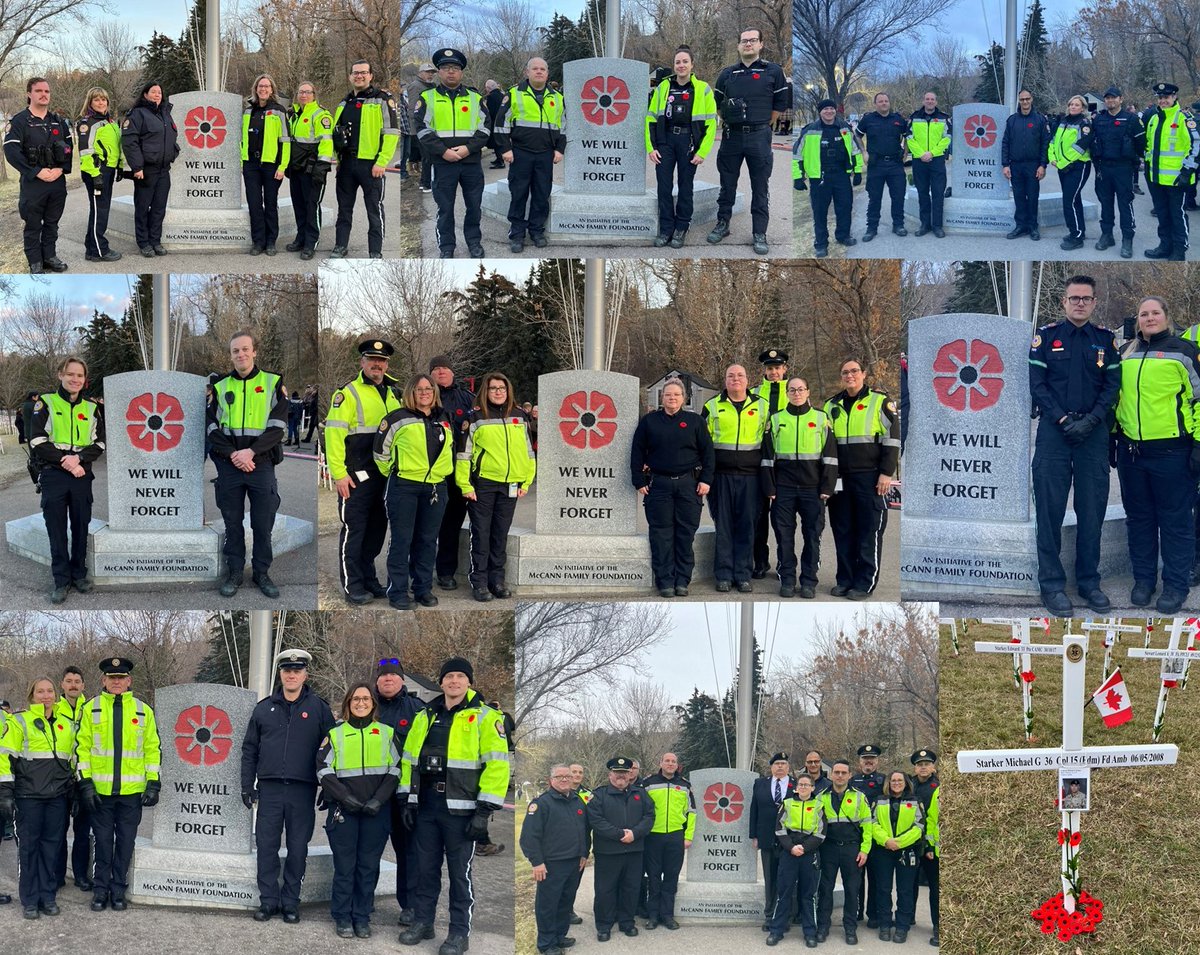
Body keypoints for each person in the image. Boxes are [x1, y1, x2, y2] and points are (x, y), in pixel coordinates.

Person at [398, 658, 511, 955]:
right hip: (427, 807)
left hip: (463, 812)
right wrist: (408, 799)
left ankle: (460, 933)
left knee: (460, 876)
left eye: (461, 676)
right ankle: (424, 922)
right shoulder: (425, 716)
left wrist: (484, 811)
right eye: (449, 677)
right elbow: (409, 761)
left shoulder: (486, 717)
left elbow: (497, 767)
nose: (454, 682)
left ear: (469, 682)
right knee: (425, 871)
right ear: (441, 682)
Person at [1028, 276, 1121, 616]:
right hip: (1055, 433)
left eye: (1086, 298)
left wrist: (1092, 420)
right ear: (1064, 303)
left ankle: (1089, 583)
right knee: (1049, 513)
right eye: (1074, 298)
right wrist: (1064, 421)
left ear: (1094, 303)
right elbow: (1037, 385)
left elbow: (1112, 387)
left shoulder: (1105, 341)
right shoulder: (1046, 337)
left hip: (1093, 435)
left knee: (1092, 512)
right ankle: (1052, 585)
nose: (1080, 303)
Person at [1113, 296, 1200, 613]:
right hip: (1132, 453)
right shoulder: (1126, 353)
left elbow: (1199, 400)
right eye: (1143, 314)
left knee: (1176, 522)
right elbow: (1116, 399)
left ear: (1166, 316)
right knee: (1139, 521)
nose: (1149, 318)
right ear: (1137, 320)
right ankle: (1144, 581)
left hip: (1172, 452)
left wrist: (1199, 445)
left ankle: (1175, 586)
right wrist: (1113, 438)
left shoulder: (1185, 352)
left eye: (1155, 313)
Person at [241, 648, 335, 923]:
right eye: (287, 670)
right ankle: (268, 901)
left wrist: (328, 786)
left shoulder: (319, 708)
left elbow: (333, 749)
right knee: (267, 847)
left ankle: (291, 901)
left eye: (297, 670)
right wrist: (247, 785)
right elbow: (249, 750)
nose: (292, 675)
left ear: (305, 674)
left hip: (302, 790)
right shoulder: (264, 709)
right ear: (280, 674)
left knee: (297, 848)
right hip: (269, 790)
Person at [76, 657, 161, 912]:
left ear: (128, 681)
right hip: (100, 793)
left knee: (125, 844)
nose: (116, 682)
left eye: (121, 678)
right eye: (111, 678)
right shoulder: (90, 709)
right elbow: (82, 749)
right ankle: (100, 891)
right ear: (103, 680)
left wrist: (153, 782)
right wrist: (86, 783)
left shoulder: (142, 710)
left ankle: (118, 891)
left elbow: (152, 749)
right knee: (102, 843)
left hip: (131, 794)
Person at [208, 331, 287, 599]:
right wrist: (234, 455)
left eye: (245, 349)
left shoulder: (272, 383)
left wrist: (251, 452)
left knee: (263, 523)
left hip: (261, 463)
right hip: (230, 465)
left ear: (254, 352)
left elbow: (278, 427)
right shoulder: (220, 387)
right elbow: (211, 427)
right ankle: (234, 572)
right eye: (235, 351)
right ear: (230, 355)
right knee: (232, 522)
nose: (240, 354)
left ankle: (262, 572)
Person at [316, 682, 399, 939]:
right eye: (355, 699)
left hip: (376, 811)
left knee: (368, 867)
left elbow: (397, 769)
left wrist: (379, 800)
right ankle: (342, 916)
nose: (361, 703)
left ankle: (361, 917)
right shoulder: (335, 733)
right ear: (348, 703)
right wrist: (345, 797)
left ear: (373, 704)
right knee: (345, 867)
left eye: (365, 699)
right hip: (345, 810)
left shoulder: (386, 732)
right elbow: (323, 768)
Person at [326, 339, 402, 604]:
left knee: (376, 532)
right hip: (356, 476)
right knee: (354, 532)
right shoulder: (347, 393)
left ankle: (369, 578)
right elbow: (333, 435)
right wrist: (339, 474)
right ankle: (352, 585)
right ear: (362, 362)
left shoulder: (394, 393)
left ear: (386, 364)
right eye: (372, 360)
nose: (377, 365)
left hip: (384, 477)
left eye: (381, 361)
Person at [373, 373, 454, 610]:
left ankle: (422, 588)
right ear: (411, 392)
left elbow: (451, 448)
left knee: (428, 541)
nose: (425, 392)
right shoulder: (397, 418)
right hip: (404, 486)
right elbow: (380, 452)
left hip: (435, 487)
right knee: (402, 540)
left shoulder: (443, 418)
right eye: (419, 389)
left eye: (429, 388)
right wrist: (398, 471)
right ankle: (397, 592)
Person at [29, 357, 105, 604]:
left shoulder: (92, 409)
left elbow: (100, 443)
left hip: (81, 475)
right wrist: (67, 461)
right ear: (60, 375)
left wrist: (79, 458)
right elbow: (37, 441)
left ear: (85, 380)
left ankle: (78, 574)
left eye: (80, 376)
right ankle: (61, 580)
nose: (75, 379)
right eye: (70, 374)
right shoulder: (46, 404)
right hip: (54, 475)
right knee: (57, 529)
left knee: (81, 526)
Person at [630, 377, 715, 597]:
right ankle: (665, 581)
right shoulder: (650, 421)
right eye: (668, 395)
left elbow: (708, 453)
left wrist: (706, 479)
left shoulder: (695, 422)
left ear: (683, 398)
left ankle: (682, 581)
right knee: (661, 535)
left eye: (677, 395)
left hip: (689, 485)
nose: (672, 398)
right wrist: (638, 480)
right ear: (662, 398)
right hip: (659, 485)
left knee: (685, 534)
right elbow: (637, 451)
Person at [822, 359, 900, 598]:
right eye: (845, 372)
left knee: (869, 530)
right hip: (840, 478)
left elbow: (893, 439)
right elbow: (824, 444)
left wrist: (886, 473)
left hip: (870, 476)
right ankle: (845, 579)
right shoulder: (830, 405)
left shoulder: (879, 401)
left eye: (854, 371)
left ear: (864, 374)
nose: (850, 375)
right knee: (842, 529)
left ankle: (864, 583)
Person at [455, 371, 536, 602]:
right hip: (483, 484)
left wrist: (526, 480)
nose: (498, 392)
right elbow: (464, 454)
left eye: (502, 388)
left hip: (511, 484)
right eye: (493, 388)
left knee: (500, 534)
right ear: (485, 391)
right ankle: (479, 582)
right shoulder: (476, 417)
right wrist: (465, 484)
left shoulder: (520, 415)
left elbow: (528, 451)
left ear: (508, 390)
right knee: (481, 533)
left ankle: (497, 580)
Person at [0, 676, 75, 919]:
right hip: (27, 796)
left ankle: (48, 896)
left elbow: (72, 760)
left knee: (51, 848)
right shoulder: (20, 720)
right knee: (29, 849)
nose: (45, 695)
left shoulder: (66, 724)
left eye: (49, 691)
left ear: (56, 694)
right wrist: (5, 792)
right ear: (32, 695)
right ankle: (30, 900)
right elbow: (5, 756)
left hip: (57, 797)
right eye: (40, 691)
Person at [708, 27, 789, 255]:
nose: (748, 44)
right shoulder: (726, 74)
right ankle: (723, 224)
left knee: (760, 187)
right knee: (727, 185)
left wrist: (760, 125)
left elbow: (778, 107)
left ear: (761, 44)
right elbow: (719, 106)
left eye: (753, 40)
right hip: (732, 137)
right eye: (744, 41)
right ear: (738, 45)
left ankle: (759, 232)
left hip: (759, 137)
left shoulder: (773, 71)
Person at [761, 375, 837, 598]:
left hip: (812, 489)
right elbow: (767, 458)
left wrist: (827, 487)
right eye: (792, 390)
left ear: (808, 392)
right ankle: (787, 579)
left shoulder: (821, 418)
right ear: (787, 393)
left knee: (812, 536)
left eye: (800, 389)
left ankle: (808, 581)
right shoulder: (775, 419)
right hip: (783, 489)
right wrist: (770, 488)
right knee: (784, 536)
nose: (796, 393)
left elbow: (831, 456)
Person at [415, 48, 490, 259]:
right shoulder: (427, 97)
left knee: (474, 206)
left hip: (471, 162)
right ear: (439, 71)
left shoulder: (475, 98)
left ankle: (474, 242)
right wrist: (443, 151)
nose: (451, 72)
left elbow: (485, 128)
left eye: (455, 68)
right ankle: (446, 246)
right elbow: (421, 128)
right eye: (446, 68)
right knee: (445, 208)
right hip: (442, 163)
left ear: (461, 73)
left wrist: (468, 148)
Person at [704, 364, 769, 591]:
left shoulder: (762, 406)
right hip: (721, 476)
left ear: (747, 379)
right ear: (725, 380)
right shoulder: (711, 406)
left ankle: (743, 575)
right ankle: (723, 575)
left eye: (740, 375)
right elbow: (703, 443)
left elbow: (770, 443)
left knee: (747, 526)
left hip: (751, 477)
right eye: (731, 376)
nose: (735, 379)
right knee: (724, 526)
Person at [646, 46, 717, 248]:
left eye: (685, 61)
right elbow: (650, 118)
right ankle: (666, 228)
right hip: (666, 142)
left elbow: (711, 123)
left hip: (689, 143)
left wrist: (702, 151)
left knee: (686, 187)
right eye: (678, 62)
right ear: (674, 65)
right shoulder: (663, 88)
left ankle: (681, 227)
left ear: (692, 64)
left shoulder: (702, 89)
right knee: (664, 187)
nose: (681, 65)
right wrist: (651, 147)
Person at [373, 658, 426, 925]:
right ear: (377, 681)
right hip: (372, 794)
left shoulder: (418, 710)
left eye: (394, 675)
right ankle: (363, 901)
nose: (388, 680)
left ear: (402, 680)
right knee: (368, 852)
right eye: (383, 676)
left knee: (408, 854)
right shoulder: (365, 707)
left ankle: (410, 906)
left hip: (403, 796)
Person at [331, 60, 399, 259]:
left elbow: (392, 132)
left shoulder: (383, 99)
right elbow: (337, 134)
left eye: (363, 72)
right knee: (344, 209)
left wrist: (382, 161)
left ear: (370, 76)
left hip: (371, 165)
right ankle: (340, 245)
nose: (359, 76)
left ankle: (375, 251)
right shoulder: (343, 103)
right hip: (346, 165)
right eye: (355, 73)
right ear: (350, 76)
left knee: (374, 211)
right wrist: (338, 160)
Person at [494, 58, 564, 252]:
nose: (539, 72)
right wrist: (505, 149)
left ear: (548, 74)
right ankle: (516, 233)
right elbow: (501, 123)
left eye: (543, 69)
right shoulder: (514, 94)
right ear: (527, 72)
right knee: (519, 194)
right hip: (520, 153)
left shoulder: (557, 97)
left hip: (545, 154)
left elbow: (564, 125)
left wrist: (560, 149)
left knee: (542, 195)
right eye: (535, 69)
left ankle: (536, 231)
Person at [4, 77, 72, 273]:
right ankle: (35, 261)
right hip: (33, 182)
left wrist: (61, 169)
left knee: (52, 223)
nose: (44, 94)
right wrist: (36, 172)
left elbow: (69, 148)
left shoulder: (58, 121)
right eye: (39, 91)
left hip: (57, 181)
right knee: (33, 224)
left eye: (47, 91)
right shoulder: (19, 121)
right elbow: (11, 151)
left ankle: (49, 256)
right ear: (29, 94)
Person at [520, 765, 590, 955]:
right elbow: (529, 837)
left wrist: (584, 853)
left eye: (568, 776)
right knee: (548, 905)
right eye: (560, 776)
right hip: (551, 865)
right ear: (550, 780)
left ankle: (559, 936)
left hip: (574, 862)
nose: (565, 779)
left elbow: (584, 831)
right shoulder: (541, 804)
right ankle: (546, 944)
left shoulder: (577, 801)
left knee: (566, 902)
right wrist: (537, 862)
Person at [586, 756, 655, 941]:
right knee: (605, 890)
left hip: (634, 852)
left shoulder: (640, 794)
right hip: (608, 852)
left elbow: (649, 816)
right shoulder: (599, 795)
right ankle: (604, 926)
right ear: (610, 774)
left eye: (624, 773)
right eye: (617, 773)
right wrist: (619, 834)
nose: (621, 776)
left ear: (629, 774)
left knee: (631, 888)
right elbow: (596, 821)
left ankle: (627, 922)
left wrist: (635, 833)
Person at [428, 356, 475, 590]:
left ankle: (446, 572)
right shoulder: (423, 397)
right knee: (425, 524)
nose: (441, 372)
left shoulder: (468, 399)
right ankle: (419, 572)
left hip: (459, 473)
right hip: (430, 472)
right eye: (436, 369)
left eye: (445, 368)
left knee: (451, 525)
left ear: (453, 373)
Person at [793, 98, 862, 256]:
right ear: (820, 112)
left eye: (831, 108)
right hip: (819, 177)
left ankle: (843, 236)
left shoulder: (845, 128)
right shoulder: (810, 130)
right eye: (825, 109)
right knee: (820, 212)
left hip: (841, 175)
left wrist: (857, 171)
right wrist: (798, 177)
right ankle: (821, 244)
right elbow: (797, 155)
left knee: (844, 208)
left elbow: (855, 150)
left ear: (835, 110)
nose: (829, 111)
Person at [815, 760, 872, 946]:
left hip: (851, 848)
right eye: (836, 772)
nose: (839, 776)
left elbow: (867, 826)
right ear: (831, 775)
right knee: (825, 889)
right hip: (828, 849)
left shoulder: (859, 797)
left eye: (843, 773)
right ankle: (823, 926)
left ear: (849, 775)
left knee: (852, 889)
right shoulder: (821, 797)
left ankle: (850, 927)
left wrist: (864, 850)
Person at [765, 773, 825, 948]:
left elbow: (821, 833)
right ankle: (776, 930)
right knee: (783, 893)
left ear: (813, 788)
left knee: (808, 895)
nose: (804, 787)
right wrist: (791, 847)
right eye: (801, 784)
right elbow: (779, 829)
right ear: (796, 787)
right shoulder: (787, 803)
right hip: (789, 851)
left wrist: (804, 848)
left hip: (809, 853)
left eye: (808, 785)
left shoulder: (819, 806)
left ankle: (810, 932)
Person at [1142, 82, 1198, 261]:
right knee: (1163, 214)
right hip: (1156, 178)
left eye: (1166, 97)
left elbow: (1196, 145)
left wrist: (1188, 171)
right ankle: (1164, 246)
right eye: (1160, 97)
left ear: (1174, 97)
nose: (1163, 100)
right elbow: (1149, 146)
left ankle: (1179, 250)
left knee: (1177, 215)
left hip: (1177, 179)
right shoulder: (1154, 118)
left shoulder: (1184, 118)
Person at [122, 81, 179, 257]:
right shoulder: (137, 114)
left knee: (158, 208)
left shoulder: (165, 113)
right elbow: (130, 142)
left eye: (159, 92)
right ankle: (144, 243)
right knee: (142, 207)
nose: (157, 95)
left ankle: (155, 241)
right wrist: (137, 167)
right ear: (145, 94)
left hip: (163, 170)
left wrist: (174, 152)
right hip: (146, 170)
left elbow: (171, 136)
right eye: (153, 92)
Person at [640, 752, 694, 930]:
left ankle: (667, 915)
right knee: (653, 877)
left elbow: (692, 812)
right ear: (660, 762)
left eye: (673, 761)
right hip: (652, 836)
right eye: (667, 761)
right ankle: (653, 915)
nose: (670, 764)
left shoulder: (685, 785)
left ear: (677, 765)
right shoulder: (648, 783)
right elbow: (640, 809)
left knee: (671, 877)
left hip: (675, 836)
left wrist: (688, 836)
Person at [869, 771, 924, 944]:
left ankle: (902, 926)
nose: (896, 783)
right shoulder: (879, 800)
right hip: (883, 850)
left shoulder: (915, 801)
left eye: (900, 780)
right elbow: (872, 822)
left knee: (905, 890)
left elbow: (919, 826)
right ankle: (885, 924)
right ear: (888, 783)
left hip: (906, 850)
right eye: (893, 780)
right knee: (883, 889)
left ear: (906, 782)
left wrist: (899, 843)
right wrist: (886, 841)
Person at [1090, 86, 1144, 258]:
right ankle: (1107, 235)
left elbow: (1141, 144)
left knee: (1125, 204)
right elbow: (1092, 142)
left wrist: (1137, 163)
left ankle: (1127, 239)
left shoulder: (1132, 119)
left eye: (1113, 98)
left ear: (1121, 99)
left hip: (1123, 168)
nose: (1110, 101)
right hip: (1104, 167)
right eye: (1107, 98)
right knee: (1105, 203)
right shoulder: (1098, 119)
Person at [240, 74, 291, 255]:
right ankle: (258, 242)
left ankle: (270, 242)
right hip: (251, 165)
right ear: (255, 89)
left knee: (270, 204)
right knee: (254, 204)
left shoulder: (278, 111)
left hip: (271, 165)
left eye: (267, 86)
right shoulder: (248, 111)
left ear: (272, 90)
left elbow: (286, 140)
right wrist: (242, 162)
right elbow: (242, 138)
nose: (263, 89)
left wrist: (282, 166)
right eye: (260, 86)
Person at [285, 79, 334, 260]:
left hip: (313, 169)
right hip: (297, 168)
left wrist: (322, 167)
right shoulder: (295, 114)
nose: (303, 95)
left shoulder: (321, 114)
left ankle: (311, 242)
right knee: (298, 205)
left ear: (314, 95)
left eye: (307, 92)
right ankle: (301, 236)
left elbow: (327, 141)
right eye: (300, 92)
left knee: (311, 206)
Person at [752, 350, 791, 577]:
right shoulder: (755, 393)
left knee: (782, 519)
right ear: (764, 370)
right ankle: (760, 561)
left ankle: (783, 564)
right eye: (769, 368)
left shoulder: (794, 391)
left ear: (784, 369)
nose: (774, 372)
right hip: (759, 462)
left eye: (777, 368)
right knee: (758, 517)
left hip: (785, 465)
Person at [53, 665, 91, 891]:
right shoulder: (54, 709)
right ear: (62, 685)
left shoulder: (92, 709)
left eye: (77, 681)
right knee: (58, 831)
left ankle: (80, 875)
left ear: (83, 685)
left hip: (84, 779)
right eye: (69, 681)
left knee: (83, 832)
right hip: (59, 780)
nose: (73, 685)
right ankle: (58, 875)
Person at [76, 86, 123, 262]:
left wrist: (118, 166)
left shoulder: (111, 122)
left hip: (108, 170)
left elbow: (117, 147)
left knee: (99, 210)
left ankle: (91, 248)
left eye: (103, 99)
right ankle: (99, 250)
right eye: (96, 99)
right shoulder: (87, 123)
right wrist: (95, 175)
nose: (101, 102)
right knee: (100, 211)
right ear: (90, 102)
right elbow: (85, 151)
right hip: (96, 171)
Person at [856, 92, 909, 242]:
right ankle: (871, 228)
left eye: (886, 101)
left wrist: (905, 152)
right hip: (876, 164)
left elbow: (908, 136)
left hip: (895, 164)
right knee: (874, 198)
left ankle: (898, 225)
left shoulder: (898, 119)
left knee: (898, 197)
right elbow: (857, 135)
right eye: (880, 101)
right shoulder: (868, 119)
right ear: (875, 104)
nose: (884, 103)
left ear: (889, 103)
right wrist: (863, 152)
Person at [750, 753, 794, 927]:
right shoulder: (760, 784)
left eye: (783, 763)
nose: (780, 767)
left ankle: (786, 916)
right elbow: (754, 809)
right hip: (767, 837)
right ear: (771, 767)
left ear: (788, 767)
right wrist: (754, 835)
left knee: (787, 878)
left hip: (790, 839)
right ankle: (769, 915)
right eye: (777, 764)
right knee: (770, 878)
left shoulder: (797, 785)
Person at [1000, 89, 1050, 242]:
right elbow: (1006, 143)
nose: (1025, 102)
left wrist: (1043, 165)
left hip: (1033, 165)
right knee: (1019, 197)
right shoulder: (1012, 120)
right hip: (1016, 166)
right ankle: (1020, 226)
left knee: (1033, 197)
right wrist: (1005, 164)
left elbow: (1045, 144)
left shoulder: (1040, 120)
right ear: (1019, 101)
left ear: (1032, 99)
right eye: (1022, 99)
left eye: (1027, 99)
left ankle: (1033, 227)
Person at [1048, 95, 1094, 251]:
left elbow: (1081, 146)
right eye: (1071, 104)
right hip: (1063, 167)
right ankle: (1078, 230)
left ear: (1083, 108)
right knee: (1075, 200)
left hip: (1078, 167)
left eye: (1077, 105)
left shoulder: (1085, 124)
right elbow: (1053, 141)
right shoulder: (1063, 121)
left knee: (1069, 201)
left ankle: (1076, 236)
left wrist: (1062, 162)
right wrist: (1052, 158)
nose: (1073, 107)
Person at [906, 91, 951, 238]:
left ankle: (937, 226)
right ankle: (925, 224)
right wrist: (921, 154)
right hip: (919, 161)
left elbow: (947, 139)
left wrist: (931, 153)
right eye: (927, 99)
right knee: (923, 193)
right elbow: (909, 138)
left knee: (938, 194)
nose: (930, 101)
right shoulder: (914, 118)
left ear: (936, 102)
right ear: (923, 101)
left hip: (936, 160)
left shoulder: (944, 118)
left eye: (932, 99)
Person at [850, 744, 886, 926]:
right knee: (857, 877)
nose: (868, 762)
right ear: (860, 761)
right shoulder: (853, 781)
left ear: (877, 761)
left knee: (876, 877)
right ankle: (857, 911)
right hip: (858, 836)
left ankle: (873, 914)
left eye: (871, 759)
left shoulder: (884, 780)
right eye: (865, 759)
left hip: (877, 836)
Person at [909, 749, 939, 946]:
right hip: (910, 842)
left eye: (926, 764)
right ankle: (907, 917)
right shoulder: (908, 785)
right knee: (908, 885)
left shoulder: (938, 787)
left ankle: (938, 926)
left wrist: (929, 845)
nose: (923, 767)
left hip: (930, 847)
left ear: (933, 767)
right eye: (920, 764)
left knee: (935, 889)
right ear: (915, 767)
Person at [407, 63, 438, 192]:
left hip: (432, 126)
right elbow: (413, 109)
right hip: (421, 127)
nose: (430, 75)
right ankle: (426, 184)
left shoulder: (432, 87)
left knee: (429, 155)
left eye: (432, 72)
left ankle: (423, 181)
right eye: (427, 72)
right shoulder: (415, 86)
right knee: (427, 156)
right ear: (420, 73)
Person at [923, 781, 939, 947]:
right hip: (935, 852)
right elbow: (932, 820)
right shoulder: (938, 793)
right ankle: (938, 927)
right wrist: (930, 846)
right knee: (935, 892)